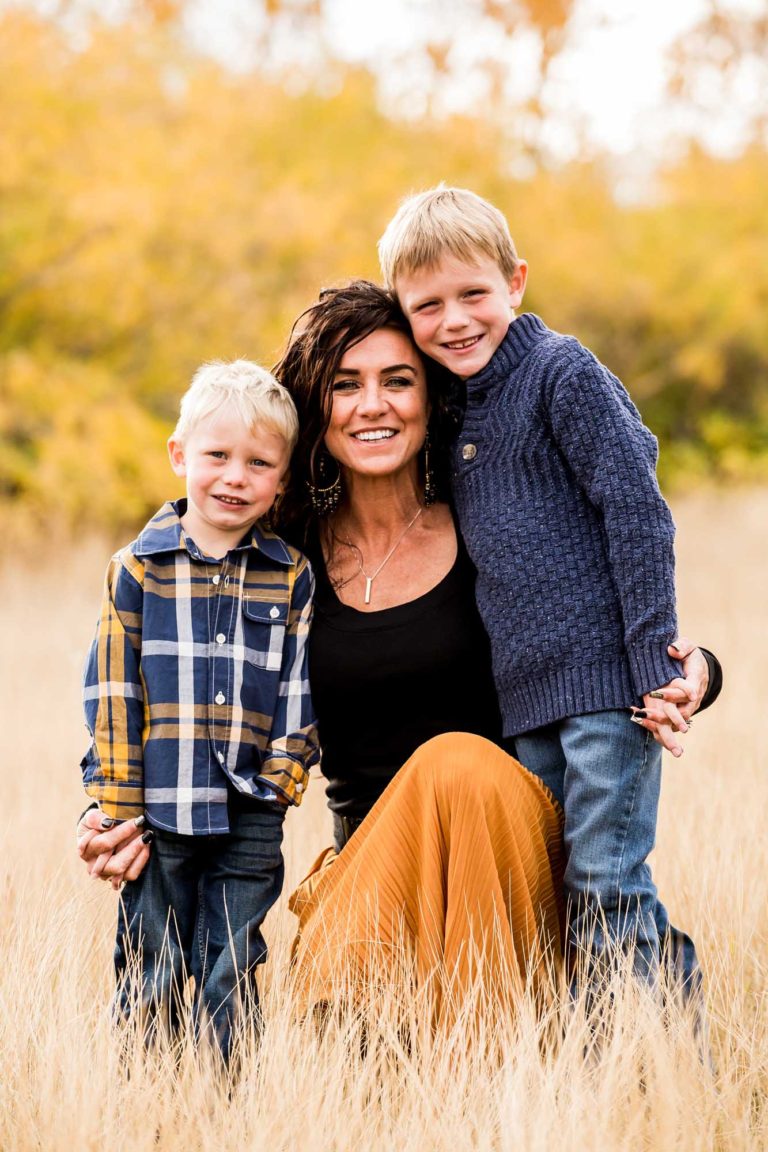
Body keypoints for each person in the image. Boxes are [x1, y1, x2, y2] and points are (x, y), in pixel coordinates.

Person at [78, 285, 718, 1024]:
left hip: (509, 859)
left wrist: (695, 671)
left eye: (398, 380)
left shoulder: (494, 527)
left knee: (458, 762)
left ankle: (508, 1064)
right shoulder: (285, 565)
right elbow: (177, 687)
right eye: (346, 385)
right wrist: (103, 815)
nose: (372, 404)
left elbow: (602, 635)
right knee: (354, 1041)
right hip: (373, 874)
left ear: (431, 396)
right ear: (318, 409)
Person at [377, 184, 718, 994]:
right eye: (428, 306)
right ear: (403, 311)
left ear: (516, 282)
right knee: (560, 905)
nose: (455, 320)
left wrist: (651, 663)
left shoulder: (561, 374)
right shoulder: (453, 413)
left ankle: (661, 1057)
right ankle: (603, 1063)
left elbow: (637, 509)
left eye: (474, 295)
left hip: (608, 692)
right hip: (527, 707)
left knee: (606, 888)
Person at [78, 358, 319, 1062]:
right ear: (181, 455)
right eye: (217, 456)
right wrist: (117, 808)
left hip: (248, 814)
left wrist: (279, 782)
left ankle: (225, 1104)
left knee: (232, 965)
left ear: (281, 478)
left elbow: (301, 689)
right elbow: (112, 695)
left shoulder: (291, 575)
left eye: (259, 463)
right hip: (156, 812)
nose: (235, 477)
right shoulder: (137, 569)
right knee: (151, 963)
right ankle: (153, 1100)